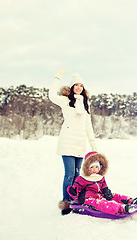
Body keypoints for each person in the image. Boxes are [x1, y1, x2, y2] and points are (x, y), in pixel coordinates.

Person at [49, 68, 98, 215]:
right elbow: (51, 95)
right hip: (67, 141)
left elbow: (88, 126)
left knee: (78, 176)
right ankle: (66, 203)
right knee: (69, 174)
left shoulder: (85, 104)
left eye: (81, 85)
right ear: (72, 87)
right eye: (76, 85)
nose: (78, 87)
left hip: (80, 143)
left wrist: (94, 145)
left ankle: (75, 202)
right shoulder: (65, 101)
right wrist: (57, 77)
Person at [67, 151, 137, 215]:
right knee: (104, 204)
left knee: (114, 195)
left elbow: (104, 186)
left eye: (96, 167)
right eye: (92, 167)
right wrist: (73, 192)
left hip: (100, 195)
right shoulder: (82, 179)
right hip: (87, 199)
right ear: (87, 168)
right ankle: (123, 208)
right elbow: (76, 192)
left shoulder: (100, 177)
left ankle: (132, 201)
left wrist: (107, 192)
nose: (94, 170)